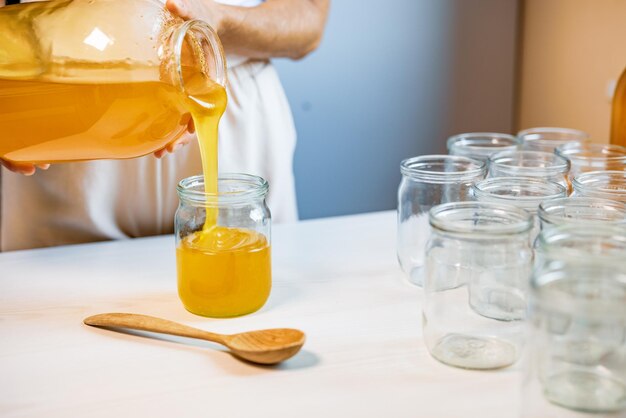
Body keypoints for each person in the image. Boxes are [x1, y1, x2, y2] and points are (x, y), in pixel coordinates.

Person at [0, 0, 330, 251]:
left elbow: (309, 18)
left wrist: (221, 21)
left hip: (226, 100)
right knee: (54, 317)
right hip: (59, 97)